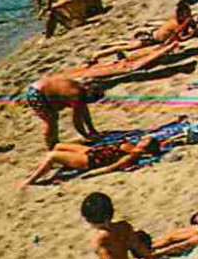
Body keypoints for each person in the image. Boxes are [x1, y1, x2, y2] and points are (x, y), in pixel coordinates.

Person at [22, 135, 161, 187]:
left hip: (90, 160)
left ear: (146, 148)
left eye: (145, 140)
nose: (142, 139)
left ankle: (31, 181)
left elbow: (113, 167)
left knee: (53, 155)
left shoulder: (133, 154)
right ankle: (42, 167)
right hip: (91, 151)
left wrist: (92, 174)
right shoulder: (134, 146)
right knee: (58, 146)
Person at [24, 73, 103, 149]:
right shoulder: (76, 96)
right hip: (37, 93)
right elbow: (77, 121)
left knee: (53, 117)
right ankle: (52, 146)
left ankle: (55, 143)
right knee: (51, 120)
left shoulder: (81, 88)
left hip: (41, 87)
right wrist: (86, 136)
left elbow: (84, 111)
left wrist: (92, 130)